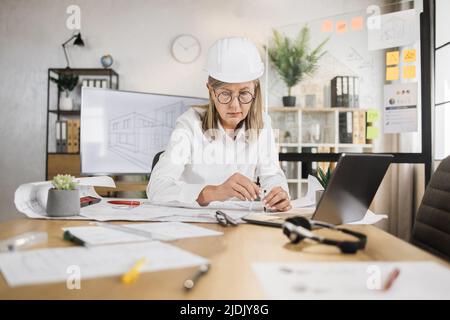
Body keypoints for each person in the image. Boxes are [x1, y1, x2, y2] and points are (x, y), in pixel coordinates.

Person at [147, 37, 291, 212]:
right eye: (225, 94)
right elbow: (157, 188)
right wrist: (212, 192)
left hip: (242, 224)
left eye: (244, 93)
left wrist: (278, 192)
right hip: (192, 226)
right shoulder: (190, 123)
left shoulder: (263, 123)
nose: (235, 105)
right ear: (211, 91)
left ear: (256, 91)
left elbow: (272, 175)